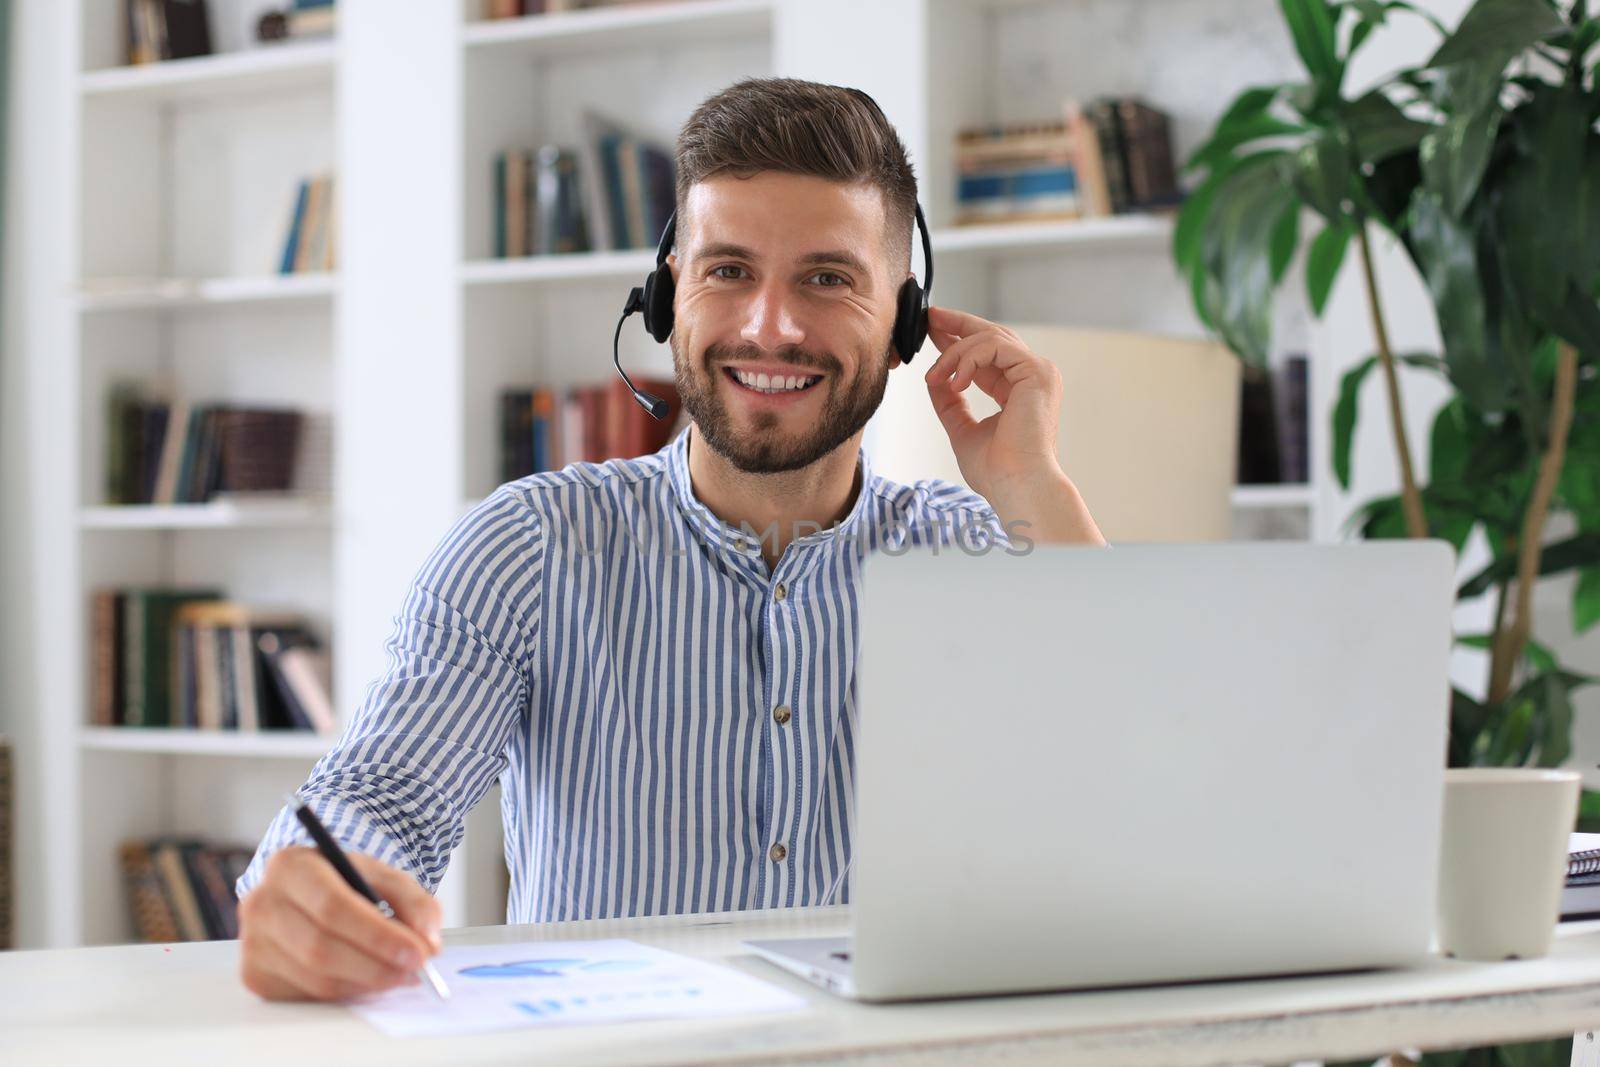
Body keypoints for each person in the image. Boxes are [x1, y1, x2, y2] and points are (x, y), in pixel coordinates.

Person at [235, 77, 1106, 1002]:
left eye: (827, 278)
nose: (771, 327)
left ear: (903, 323)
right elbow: (373, 800)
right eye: (728, 270)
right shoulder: (528, 548)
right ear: (667, 299)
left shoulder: (976, 556)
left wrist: (1033, 488)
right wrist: (316, 890)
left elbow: (1145, 786)